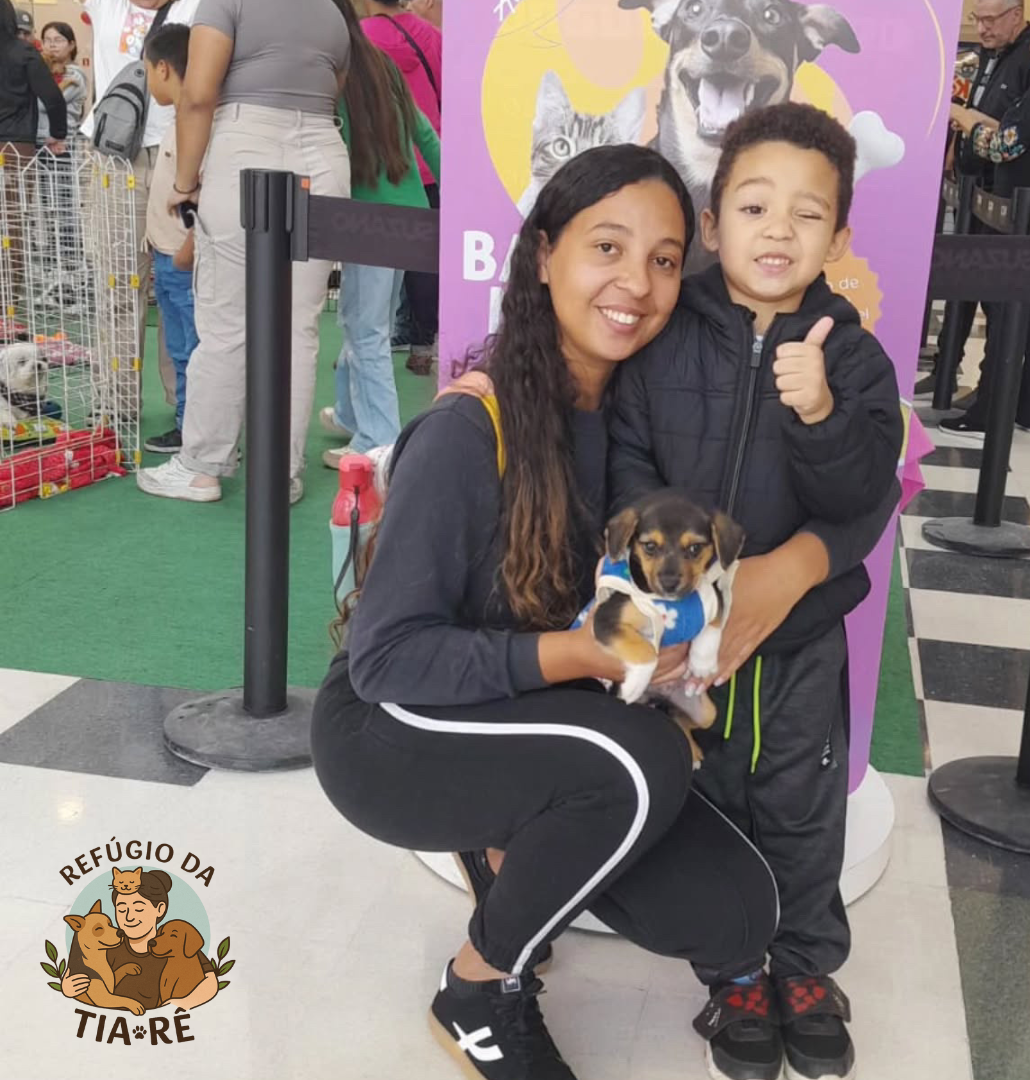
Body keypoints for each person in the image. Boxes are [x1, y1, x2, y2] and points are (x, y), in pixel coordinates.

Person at [310, 145, 783, 1080]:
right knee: (641, 762)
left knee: (739, 911)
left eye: (663, 259)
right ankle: (478, 988)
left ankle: (505, 848)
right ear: (542, 255)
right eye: (607, 246)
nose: (637, 282)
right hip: (391, 730)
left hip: (520, 715)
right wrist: (585, 654)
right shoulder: (468, 428)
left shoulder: (634, 421)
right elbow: (386, 660)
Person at [608, 103, 903, 1080]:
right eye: (754, 206)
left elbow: (862, 494)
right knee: (708, 799)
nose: (779, 230)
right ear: (712, 219)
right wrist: (676, 585)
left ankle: (807, 971)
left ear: (840, 237)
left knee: (802, 809)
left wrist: (820, 412)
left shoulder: (853, 358)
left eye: (807, 214)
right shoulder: (661, 340)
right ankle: (734, 971)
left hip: (801, 645)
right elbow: (626, 464)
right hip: (684, 639)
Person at [135, 0, 352, 506]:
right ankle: (281, 473)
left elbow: (197, 95)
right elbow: (334, 88)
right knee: (297, 328)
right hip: (323, 151)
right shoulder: (332, 11)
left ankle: (202, 467)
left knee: (226, 324)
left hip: (246, 144)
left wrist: (184, 183)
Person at [944, 0, 1030, 438]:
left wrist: (967, 123)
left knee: (1008, 313)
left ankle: (991, 411)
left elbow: (1006, 146)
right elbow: (1026, 135)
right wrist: (981, 121)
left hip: (1028, 220)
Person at [320, 0, 440, 469]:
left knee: (365, 329)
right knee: (364, 321)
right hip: (407, 210)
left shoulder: (333, 70)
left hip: (364, 215)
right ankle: (351, 414)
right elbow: (424, 132)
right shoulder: (382, 63)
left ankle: (378, 438)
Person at [78, 0, 202, 417]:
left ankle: (186, 403)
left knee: (178, 284)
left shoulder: (196, 6)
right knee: (116, 284)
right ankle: (116, 401)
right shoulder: (107, 5)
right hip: (115, 155)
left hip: (180, 152)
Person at [916, 0, 1030, 404]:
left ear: (1016, 15)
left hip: (1004, 193)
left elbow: (1016, 134)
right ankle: (945, 370)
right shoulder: (988, 55)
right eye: (977, 19)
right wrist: (956, 145)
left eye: (990, 19)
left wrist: (971, 123)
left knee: (996, 296)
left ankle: (992, 393)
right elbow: (974, 109)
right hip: (971, 184)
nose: (982, 28)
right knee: (961, 283)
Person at [360, 0, 442, 376]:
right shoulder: (433, 38)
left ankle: (367, 345)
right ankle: (423, 345)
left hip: (381, 170)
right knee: (425, 265)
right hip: (432, 160)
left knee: (371, 276)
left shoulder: (360, 39)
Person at [140, 24, 197, 455]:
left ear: (163, 68)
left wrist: (184, 254)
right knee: (180, 347)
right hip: (166, 254)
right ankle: (187, 423)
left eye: (146, 71)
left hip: (183, 259)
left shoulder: (194, 125)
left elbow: (203, 200)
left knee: (192, 349)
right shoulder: (179, 120)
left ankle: (197, 429)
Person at [58, 868, 218, 1012]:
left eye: (139, 908)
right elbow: (79, 964)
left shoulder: (173, 944)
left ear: (160, 909)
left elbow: (210, 980)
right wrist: (67, 986)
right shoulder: (108, 944)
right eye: (122, 909)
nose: (129, 917)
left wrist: (184, 1003)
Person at [0, 0, 67, 305]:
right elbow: (53, 97)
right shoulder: (24, 52)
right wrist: (58, 133)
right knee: (13, 224)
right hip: (17, 148)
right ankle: (8, 303)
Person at [37, 22, 88, 145]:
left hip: (61, 144)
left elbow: (44, 104)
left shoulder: (74, 76)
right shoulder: (42, 72)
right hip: (38, 141)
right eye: (47, 40)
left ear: (71, 45)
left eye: (58, 40)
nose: (52, 45)